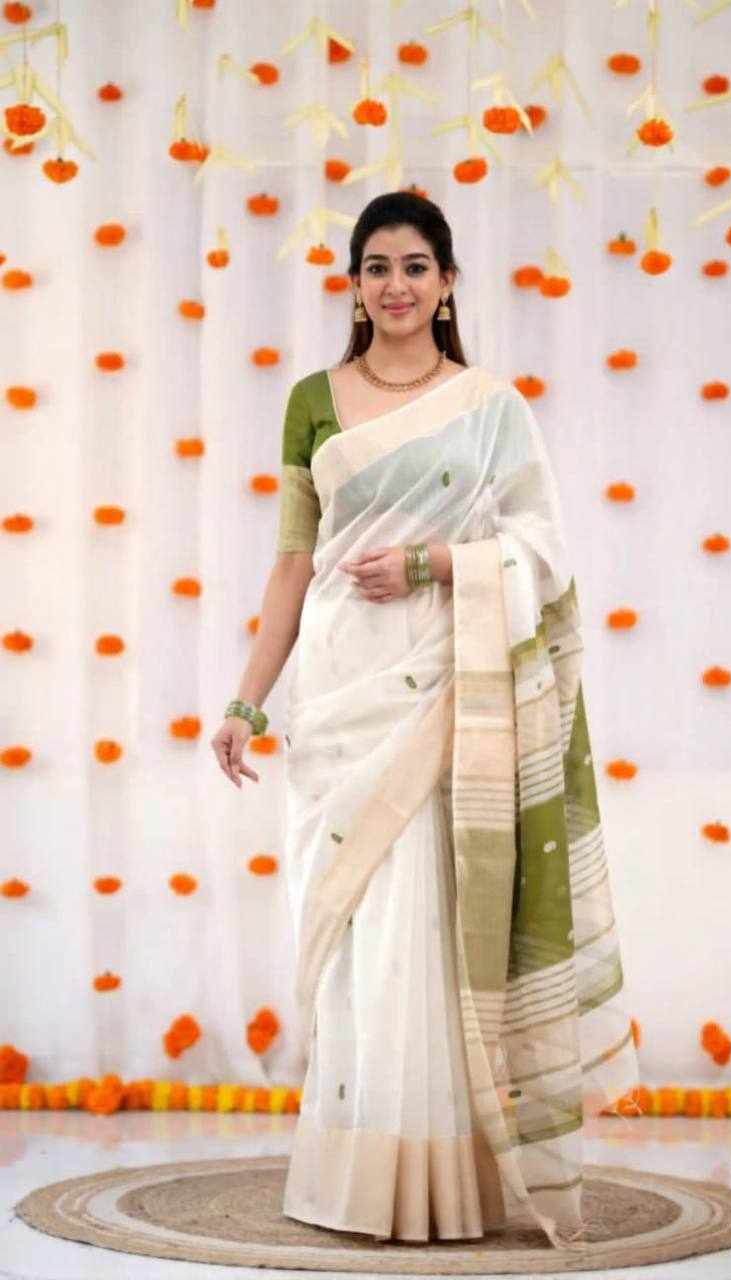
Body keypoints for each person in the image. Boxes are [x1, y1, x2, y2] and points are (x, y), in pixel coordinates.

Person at [211, 191, 641, 1250]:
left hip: (446, 687)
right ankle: (356, 1174)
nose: (395, 285)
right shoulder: (312, 400)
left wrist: (433, 561)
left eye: (414, 266)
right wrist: (245, 699)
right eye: (376, 267)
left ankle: (449, 1178)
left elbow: (543, 550)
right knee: (355, 933)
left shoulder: (488, 405)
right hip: (341, 693)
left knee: (432, 923)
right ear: (354, 286)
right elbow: (293, 563)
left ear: (447, 283)